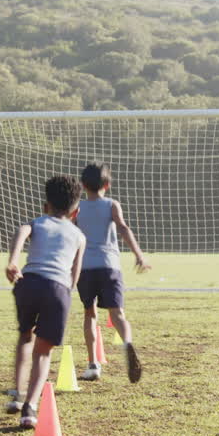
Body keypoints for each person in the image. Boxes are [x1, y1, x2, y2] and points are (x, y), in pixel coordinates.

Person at [4, 175, 86, 428]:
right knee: (43, 351)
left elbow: (22, 230)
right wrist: (65, 295)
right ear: (76, 211)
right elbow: (75, 274)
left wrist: (13, 261)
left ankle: (17, 394)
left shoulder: (38, 222)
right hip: (57, 290)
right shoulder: (79, 236)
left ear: (45, 206)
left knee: (25, 336)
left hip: (28, 284)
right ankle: (30, 407)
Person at [73, 163, 149, 384]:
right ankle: (127, 343)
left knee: (90, 314)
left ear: (83, 185)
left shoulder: (77, 208)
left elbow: (72, 234)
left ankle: (93, 365)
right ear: (107, 185)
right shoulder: (112, 205)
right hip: (109, 266)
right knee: (117, 314)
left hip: (85, 267)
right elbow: (123, 228)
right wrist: (139, 254)